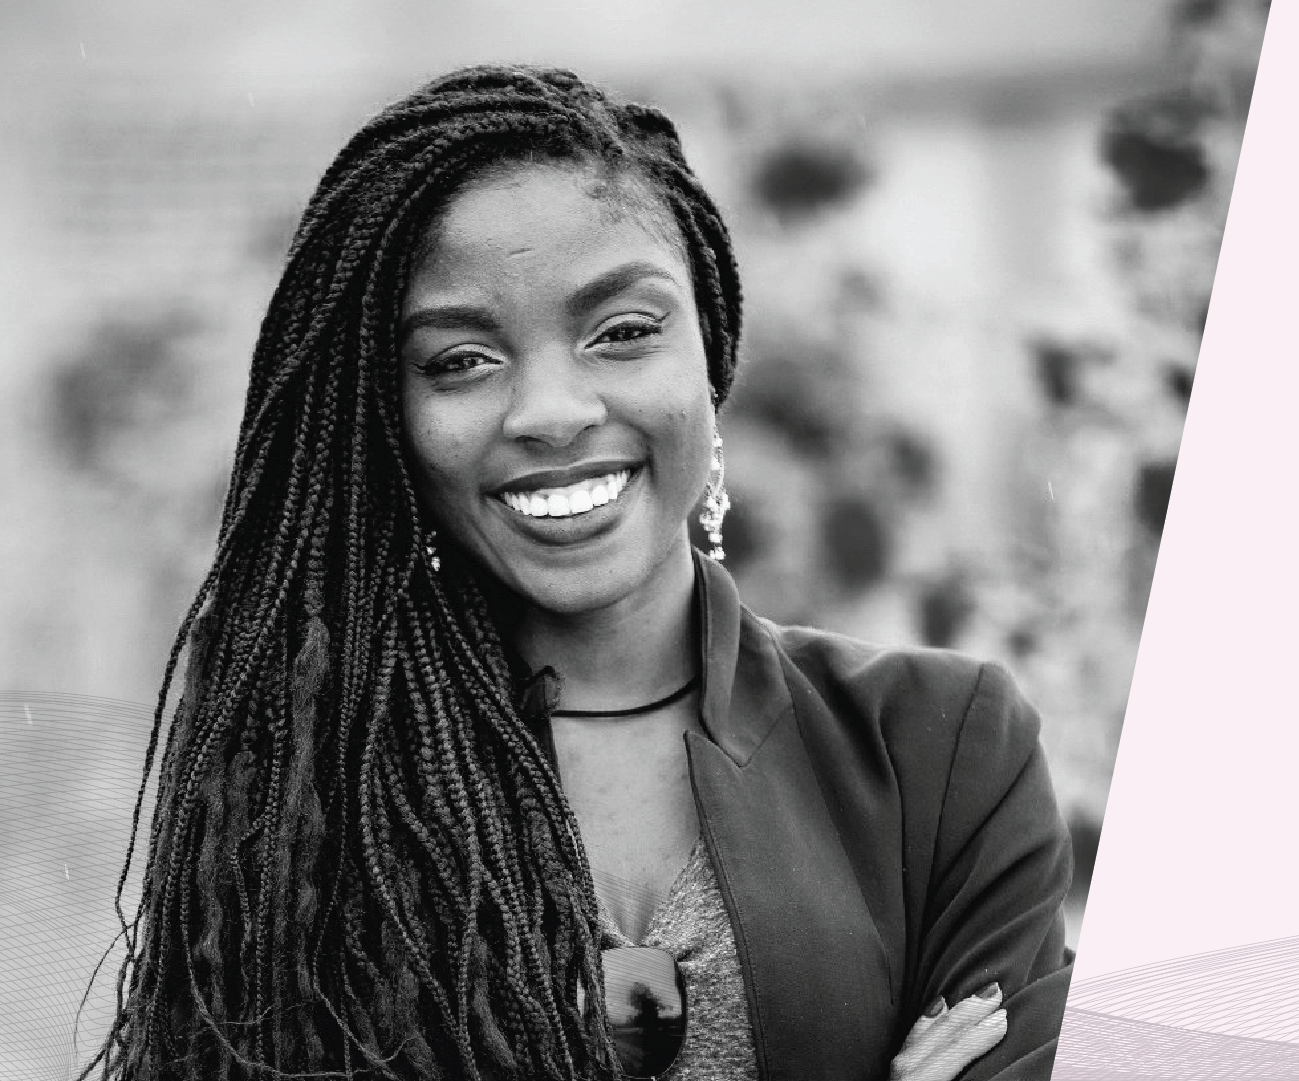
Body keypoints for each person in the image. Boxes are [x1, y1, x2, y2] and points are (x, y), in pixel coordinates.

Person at [92, 65, 1073, 1081]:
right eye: (459, 360)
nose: (550, 411)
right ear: (387, 419)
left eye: (624, 332)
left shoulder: (943, 747)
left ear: (710, 351)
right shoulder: (308, 786)